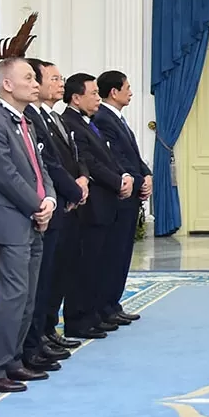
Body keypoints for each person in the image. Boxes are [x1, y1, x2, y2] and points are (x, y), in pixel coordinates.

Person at [0, 57, 55, 393]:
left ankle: (13, 359)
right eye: (29, 78)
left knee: (29, 295)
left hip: (34, 216)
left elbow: (40, 168)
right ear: (7, 84)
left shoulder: (26, 121)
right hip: (11, 218)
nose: (36, 83)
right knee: (14, 295)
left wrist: (48, 198)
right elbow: (5, 175)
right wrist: (38, 205)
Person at [18, 60, 82, 367]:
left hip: (59, 202)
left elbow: (70, 156)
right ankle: (36, 337)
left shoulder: (49, 116)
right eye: (53, 78)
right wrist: (70, 190)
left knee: (54, 275)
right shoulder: (28, 116)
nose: (60, 83)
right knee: (39, 281)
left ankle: (45, 330)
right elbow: (47, 164)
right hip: (46, 206)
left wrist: (76, 185)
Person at [65, 73, 127, 340]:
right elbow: (88, 161)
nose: (97, 99)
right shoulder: (70, 123)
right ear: (76, 98)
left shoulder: (88, 122)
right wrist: (117, 181)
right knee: (85, 266)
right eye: (92, 94)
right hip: (91, 206)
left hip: (105, 204)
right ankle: (79, 319)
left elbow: (108, 156)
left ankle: (93, 314)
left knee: (98, 264)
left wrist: (124, 177)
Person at [93, 70, 149, 326]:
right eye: (127, 87)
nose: (131, 92)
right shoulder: (104, 119)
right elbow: (116, 160)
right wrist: (136, 182)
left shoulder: (118, 119)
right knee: (112, 256)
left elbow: (133, 157)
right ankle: (105, 306)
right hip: (118, 198)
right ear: (114, 92)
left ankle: (113, 304)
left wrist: (146, 175)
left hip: (130, 196)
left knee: (122, 255)